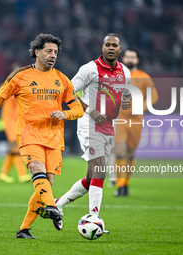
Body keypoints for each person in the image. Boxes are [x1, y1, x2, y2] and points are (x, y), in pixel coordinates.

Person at [0, 33, 84, 239]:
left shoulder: (61, 79)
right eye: (49, 51)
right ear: (37, 52)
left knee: (46, 185)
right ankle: (53, 208)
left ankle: (24, 229)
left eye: (56, 52)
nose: (53, 55)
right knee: (37, 171)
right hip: (29, 134)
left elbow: (78, 109)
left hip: (54, 138)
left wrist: (65, 113)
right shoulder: (20, 76)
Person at [55, 33, 131, 228]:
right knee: (100, 170)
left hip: (109, 127)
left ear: (120, 49)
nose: (111, 48)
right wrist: (90, 109)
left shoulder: (125, 72)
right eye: (108, 45)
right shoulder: (90, 69)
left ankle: (58, 204)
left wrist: (126, 101)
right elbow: (68, 91)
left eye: (115, 45)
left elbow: (125, 97)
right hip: (89, 125)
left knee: (91, 178)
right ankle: (93, 218)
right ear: (102, 47)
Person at [113, 48, 159, 196]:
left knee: (130, 153)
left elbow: (154, 96)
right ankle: (119, 185)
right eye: (127, 57)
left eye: (133, 57)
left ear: (137, 60)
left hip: (136, 120)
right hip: (120, 117)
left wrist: (142, 107)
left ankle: (126, 183)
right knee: (119, 151)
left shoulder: (144, 77)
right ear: (123, 59)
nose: (130, 59)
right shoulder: (115, 75)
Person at [0, 63, 31, 184]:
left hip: (18, 120)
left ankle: (3, 172)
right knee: (15, 145)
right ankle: (22, 174)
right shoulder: (6, 86)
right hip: (9, 120)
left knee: (15, 146)